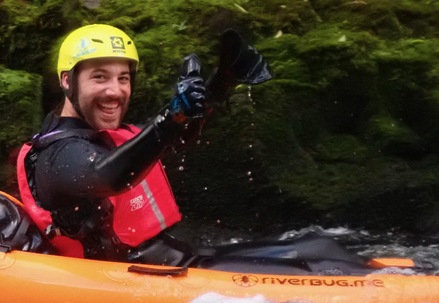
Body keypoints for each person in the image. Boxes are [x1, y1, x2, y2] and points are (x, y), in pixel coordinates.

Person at [17, 24, 270, 265]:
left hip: (173, 262)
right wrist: (172, 115)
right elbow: (105, 176)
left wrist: (223, 81)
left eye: (123, 78)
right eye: (100, 77)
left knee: (307, 247)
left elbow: (173, 139)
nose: (115, 91)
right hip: (125, 282)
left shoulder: (102, 134)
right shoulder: (56, 156)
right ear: (67, 81)